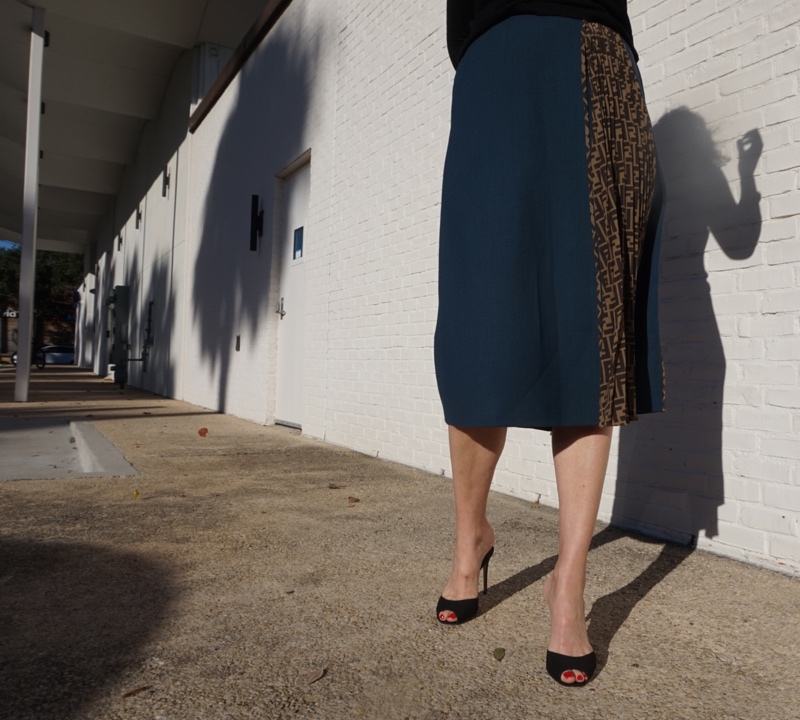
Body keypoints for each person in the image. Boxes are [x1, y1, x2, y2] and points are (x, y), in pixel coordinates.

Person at [433, 0, 665, 687]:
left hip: (594, 62)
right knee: (480, 325)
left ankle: (568, 584)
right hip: (492, 67)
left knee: (586, 327)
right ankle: (470, 539)